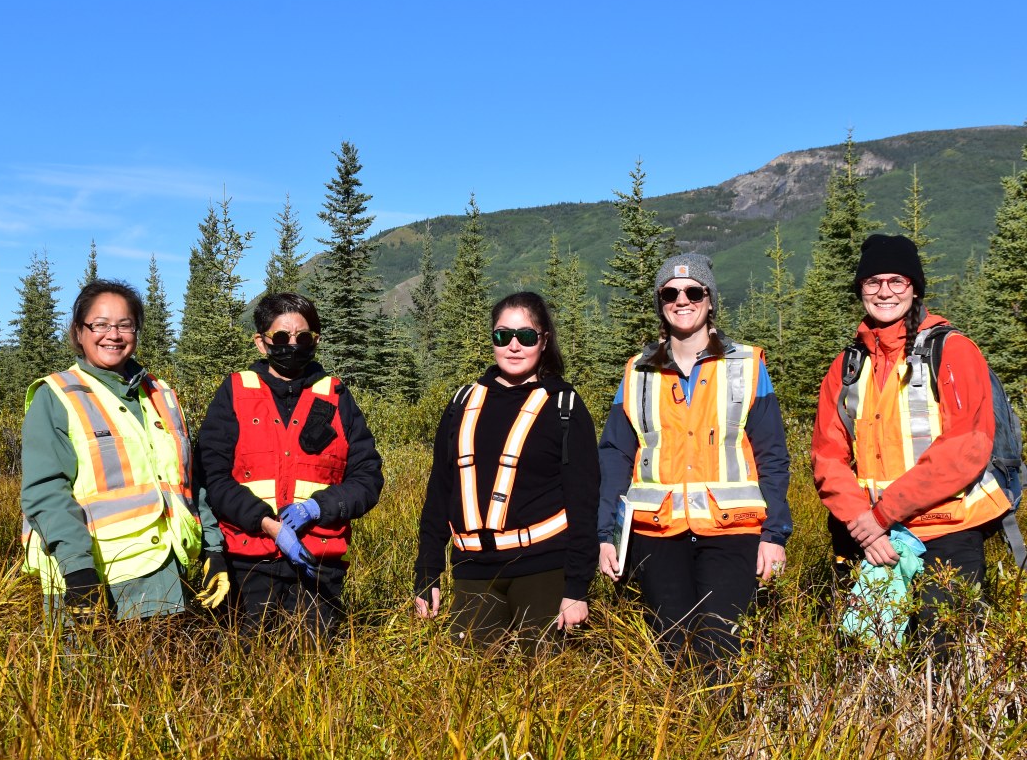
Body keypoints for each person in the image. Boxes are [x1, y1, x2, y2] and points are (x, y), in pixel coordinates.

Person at [812, 234, 1011, 652]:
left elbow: (966, 448)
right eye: (873, 283)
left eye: (896, 281)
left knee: (946, 660)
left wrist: (881, 516)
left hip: (947, 533)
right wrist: (862, 524)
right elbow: (828, 455)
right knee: (866, 662)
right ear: (860, 290)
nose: (884, 292)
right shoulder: (847, 366)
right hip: (866, 537)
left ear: (914, 287)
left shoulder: (953, 351)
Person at [597, 253, 792, 665]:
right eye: (670, 292)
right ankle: (680, 731)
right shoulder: (637, 371)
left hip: (732, 532)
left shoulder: (746, 365)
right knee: (672, 647)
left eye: (693, 291)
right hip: (656, 533)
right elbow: (616, 455)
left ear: (709, 298)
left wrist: (774, 535)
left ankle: (729, 729)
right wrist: (605, 536)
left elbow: (772, 454)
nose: (681, 300)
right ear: (660, 303)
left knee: (721, 645)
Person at [20, 280, 218, 624]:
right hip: (93, 578)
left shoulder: (159, 393)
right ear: (79, 332)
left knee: (167, 676)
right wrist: (78, 571)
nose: (113, 334)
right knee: (87, 677)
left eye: (124, 324)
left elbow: (188, 480)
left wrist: (214, 547)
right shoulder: (56, 396)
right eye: (99, 324)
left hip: (166, 573)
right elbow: (46, 493)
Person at [414, 292, 599, 647]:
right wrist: (427, 572)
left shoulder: (564, 406)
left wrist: (577, 588)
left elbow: (584, 501)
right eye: (503, 336)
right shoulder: (463, 403)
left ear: (544, 341)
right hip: (472, 571)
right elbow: (439, 491)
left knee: (544, 687)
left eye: (526, 336)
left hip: (544, 568)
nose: (514, 346)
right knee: (470, 685)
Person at [196, 292, 383, 638]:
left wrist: (318, 508)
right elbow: (212, 478)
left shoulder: (336, 395)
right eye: (281, 337)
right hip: (247, 563)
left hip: (318, 566)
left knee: (314, 676)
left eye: (303, 337)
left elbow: (368, 478)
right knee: (248, 672)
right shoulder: (235, 392)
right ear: (261, 342)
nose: (292, 345)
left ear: (316, 341)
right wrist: (266, 523)